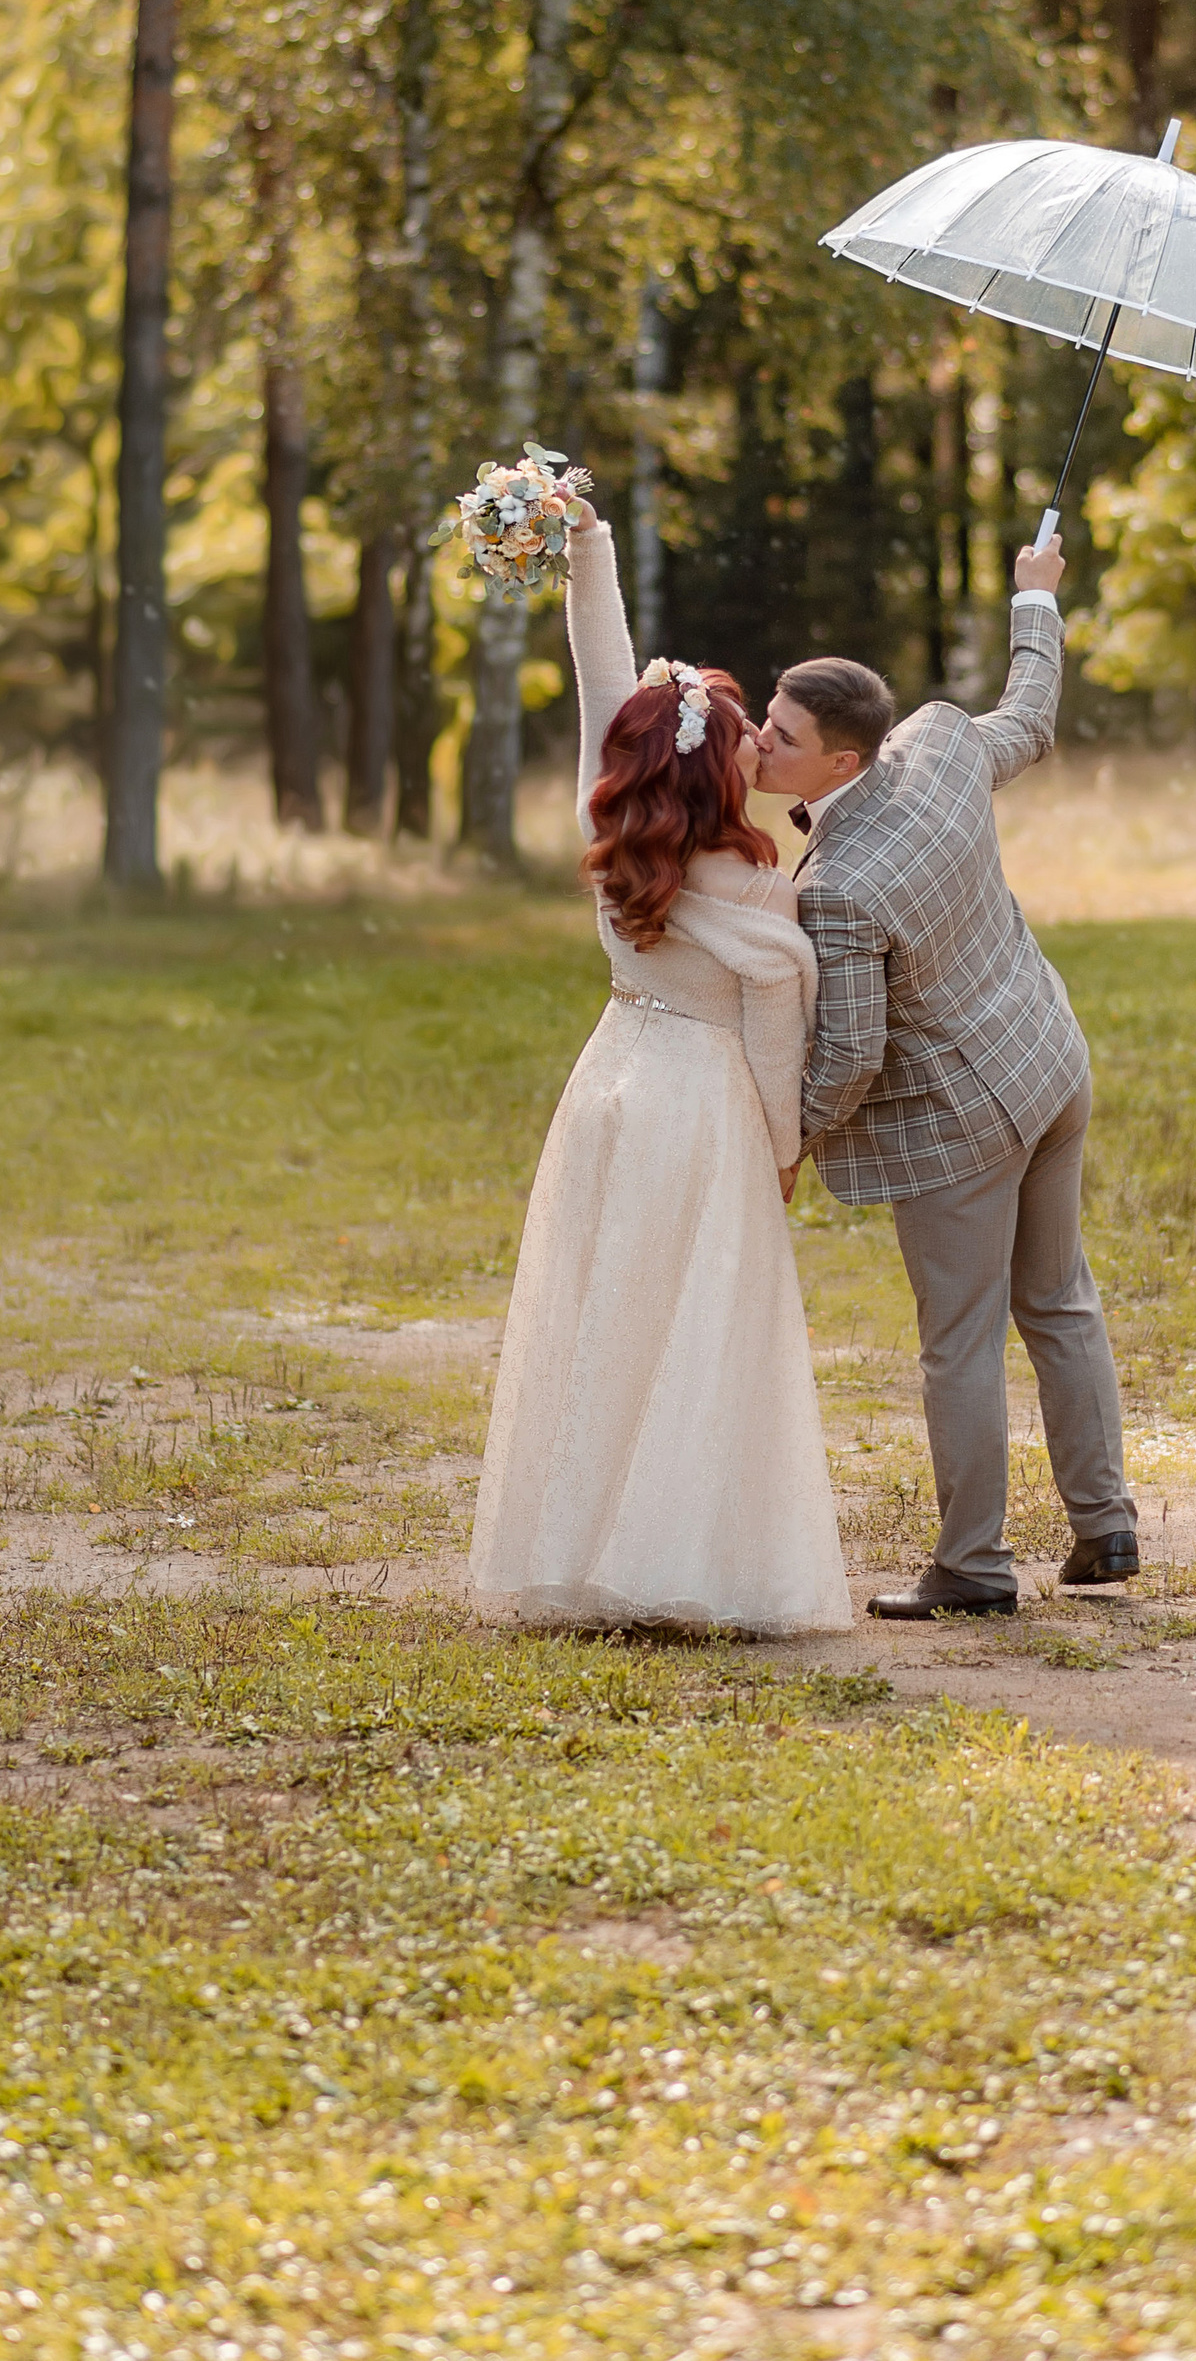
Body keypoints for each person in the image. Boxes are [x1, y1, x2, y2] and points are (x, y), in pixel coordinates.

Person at [467, 507, 852, 1635]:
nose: (758, 749)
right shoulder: (758, 889)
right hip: (709, 1110)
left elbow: (600, 664)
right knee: (700, 1328)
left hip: (612, 1084)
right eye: (747, 740)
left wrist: (585, 541)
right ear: (718, 771)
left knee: (602, 1318)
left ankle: (574, 1551)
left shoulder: (617, 834)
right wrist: (784, 1149)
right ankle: (682, 1554)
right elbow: (775, 1037)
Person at [756, 538, 1136, 1619]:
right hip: (1048, 1060)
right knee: (1059, 1301)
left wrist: (781, 1140)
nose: (759, 743)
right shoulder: (934, 741)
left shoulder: (840, 884)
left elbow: (849, 1057)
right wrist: (1036, 594)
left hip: (962, 1123)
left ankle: (973, 1564)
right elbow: (1029, 715)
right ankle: (1104, 1527)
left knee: (958, 1340)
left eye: (781, 736)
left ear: (839, 762)